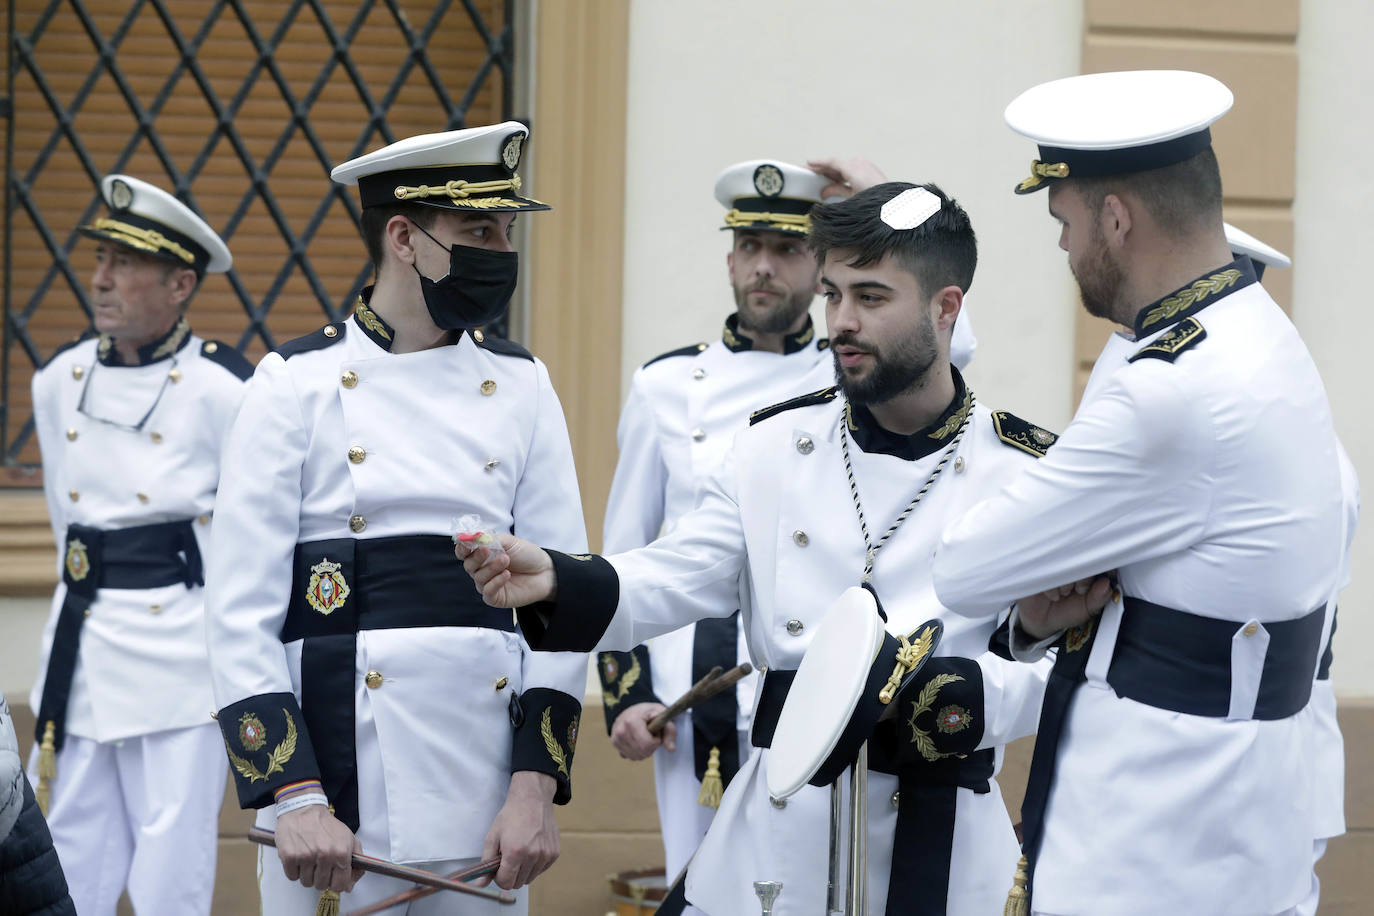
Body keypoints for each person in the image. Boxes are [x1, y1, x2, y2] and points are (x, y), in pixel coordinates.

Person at [461, 181, 1052, 915]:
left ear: (946, 307)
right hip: (776, 837)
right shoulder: (771, 446)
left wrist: (973, 699)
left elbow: (1064, 663)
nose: (842, 322)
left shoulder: (1024, 470)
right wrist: (556, 578)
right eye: (834, 294)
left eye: (871, 298)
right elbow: (677, 572)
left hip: (947, 844)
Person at [924, 70, 1349, 915]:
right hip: (1243, 805)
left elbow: (965, 570)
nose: (1064, 248)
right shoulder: (1259, 329)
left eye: (1065, 221)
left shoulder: (1172, 389)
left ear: (1115, 218)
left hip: (1158, 830)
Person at [204, 121, 588, 916]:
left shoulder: (523, 385)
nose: (501, 250)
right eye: (478, 229)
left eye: (507, 229)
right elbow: (238, 613)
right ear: (404, 237)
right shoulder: (292, 385)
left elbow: (563, 602)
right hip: (333, 804)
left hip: (488, 805)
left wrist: (534, 788)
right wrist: (294, 794)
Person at [27, 174, 247, 915]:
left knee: (169, 876)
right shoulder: (59, 380)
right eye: (100, 260)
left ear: (181, 282)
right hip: (84, 648)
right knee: (62, 862)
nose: (100, 279)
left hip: (180, 663)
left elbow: (248, 538)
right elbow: (69, 525)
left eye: (124, 264)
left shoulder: (226, 390)